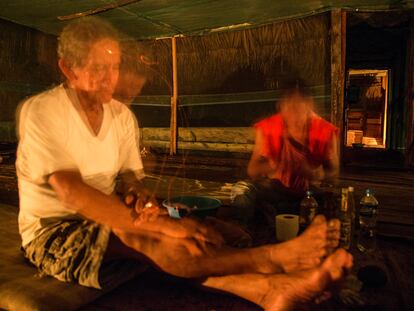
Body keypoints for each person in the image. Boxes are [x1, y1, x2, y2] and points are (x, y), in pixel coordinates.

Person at [16, 17, 350, 310]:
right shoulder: (44, 111)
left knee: (201, 232)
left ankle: (269, 291)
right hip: (55, 232)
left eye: (114, 66)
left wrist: (143, 199)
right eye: (97, 68)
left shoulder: (121, 117)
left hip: (110, 214)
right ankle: (273, 260)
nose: (110, 78)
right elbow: (72, 192)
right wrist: (159, 225)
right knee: (155, 238)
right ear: (68, 68)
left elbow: (132, 178)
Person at [231, 80, 339, 227]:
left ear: (310, 107)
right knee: (241, 190)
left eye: (299, 107)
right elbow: (252, 170)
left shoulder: (323, 132)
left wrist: (314, 173)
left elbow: (333, 173)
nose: (293, 113)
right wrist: (274, 167)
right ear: (280, 106)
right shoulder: (269, 129)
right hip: (275, 189)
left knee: (330, 204)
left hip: (308, 195)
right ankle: (242, 230)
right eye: (288, 106)